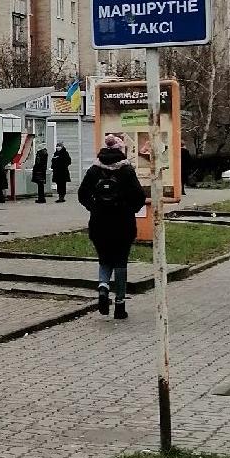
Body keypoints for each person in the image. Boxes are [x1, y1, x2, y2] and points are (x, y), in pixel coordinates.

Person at [77, 131, 147, 319]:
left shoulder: (94, 169)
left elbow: (82, 194)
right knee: (121, 261)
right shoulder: (126, 170)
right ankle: (120, 306)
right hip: (123, 222)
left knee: (104, 258)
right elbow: (139, 196)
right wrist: (129, 209)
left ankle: (103, 287)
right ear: (121, 150)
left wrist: (94, 207)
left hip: (99, 222)